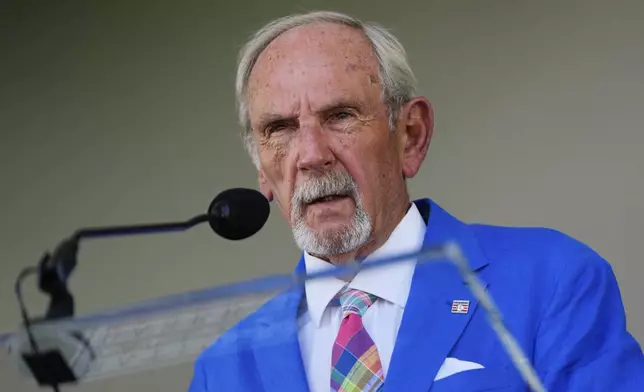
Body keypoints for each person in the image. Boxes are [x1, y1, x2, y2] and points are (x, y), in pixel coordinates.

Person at [188, 10, 644, 392]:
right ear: (261, 170)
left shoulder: (553, 280)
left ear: (410, 135)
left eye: (341, 116)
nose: (311, 155)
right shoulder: (224, 368)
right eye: (280, 130)